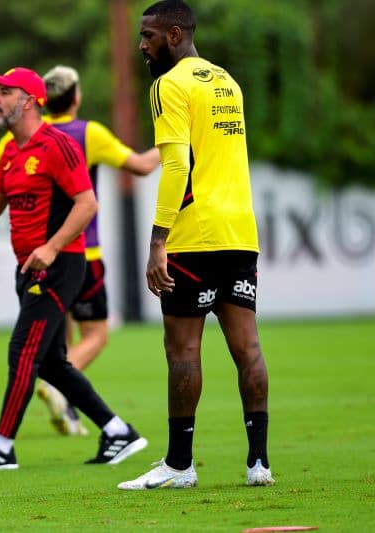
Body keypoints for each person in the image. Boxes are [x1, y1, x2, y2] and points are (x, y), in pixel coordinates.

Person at [0, 67, 148, 471]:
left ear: (29, 100)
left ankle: (1, 447)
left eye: (4, 91)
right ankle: (118, 432)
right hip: (30, 267)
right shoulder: (11, 150)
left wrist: (51, 246)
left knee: (22, 351)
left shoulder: (58, 145)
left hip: (59, 265)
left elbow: (87, 203)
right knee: (50, 363)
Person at [118, 0, 275, 490]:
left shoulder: (169, 85)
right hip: (239, 230)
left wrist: (158, 240)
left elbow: (177, 167)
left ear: (174, 33)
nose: (141, 46)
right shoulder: (226, 81)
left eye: (148, 36)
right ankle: (259, 464)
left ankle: (180, 466)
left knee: (182, 348)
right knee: (247, 345)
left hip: (194, 232)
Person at [0, 65, 160, 437]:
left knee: (52, 346)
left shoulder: (24, 137)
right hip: (79, 256)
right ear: (75, 97)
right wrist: (175, 145)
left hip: (47, 257)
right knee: (92, 338)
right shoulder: (88, 133)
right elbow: (141, 166)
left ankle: (96, 419)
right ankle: (60, 393)